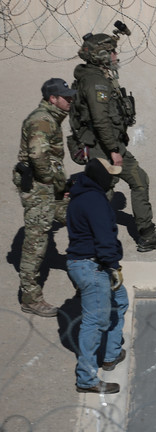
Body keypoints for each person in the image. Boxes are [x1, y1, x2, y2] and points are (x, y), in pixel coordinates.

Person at [70, 31, 156, 252]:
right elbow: (100, 120)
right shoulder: (95, 81)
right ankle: (91, 244)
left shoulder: (100, 76)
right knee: (102, 193)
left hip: (112, 143)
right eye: (112, 52)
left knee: (139, 180)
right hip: (102, 146)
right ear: (101, 55)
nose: (116, 56)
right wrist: (114, 150)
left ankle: (147, 235)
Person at [13, 78, 77, 317]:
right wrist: (54, 183)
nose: (70, 100)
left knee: (76, 216)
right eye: (66, 97)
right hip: (39, 189)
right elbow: (39, 157)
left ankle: (83, 275)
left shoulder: (52, 118)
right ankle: (30, 298)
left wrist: (60, 186)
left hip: (49, 187)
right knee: (35, 244)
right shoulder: (42, 120)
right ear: (53, 99)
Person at [66, 158, 129, 394]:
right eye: (110, 175)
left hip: (89, 264)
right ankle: (87, 379)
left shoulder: (81, 193)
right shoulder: (94, 200)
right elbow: (104, 237)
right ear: (99, 177)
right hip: (93, 267)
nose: (112, 179)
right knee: (94, 322)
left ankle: (111, 355)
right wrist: (113, 266)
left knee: (120, 301)